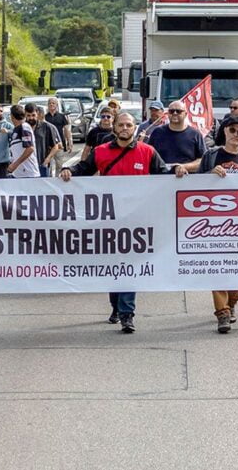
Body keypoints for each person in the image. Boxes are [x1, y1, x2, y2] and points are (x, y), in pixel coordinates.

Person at [61, 113, 174, 333]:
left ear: (134, 128)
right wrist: (69, 171)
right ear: (114, 128)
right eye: (121, 125)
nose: (125, 128)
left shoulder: (147, 151)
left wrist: (178, 171)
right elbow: (84, 169)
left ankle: (127, 314)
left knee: (129, 266)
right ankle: (116, 306)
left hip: (137, 221)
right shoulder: (101, 152)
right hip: (110, 220)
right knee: (114, 267)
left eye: (129, 125)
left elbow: (164, 175)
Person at [199, 116, 238, 333]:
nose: (236, 135)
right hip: (214, 224)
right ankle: (222, 313)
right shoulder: (211, 155)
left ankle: (232, 302)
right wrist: (209, 174)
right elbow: (196, 186)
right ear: (224, 131)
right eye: (232, 130)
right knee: (218, 268)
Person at [146, 100, 206, 173]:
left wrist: (183, 167)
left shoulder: (195, 134)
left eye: (178, 111)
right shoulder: (157, 132)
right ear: (168, 114)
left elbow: (203, 160)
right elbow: (148, 155)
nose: (174, 113)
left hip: (186, 179)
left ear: (186, 114)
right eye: (171, 111)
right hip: (160, 178)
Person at [25, 104, 62, 177]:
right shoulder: (22, 128)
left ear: (37, 113)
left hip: (41, 165)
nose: (31, 118)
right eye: (28, 116)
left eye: (33, 115)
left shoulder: (46, 127)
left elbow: (56, 146)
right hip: (26, 166)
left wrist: (47, 159)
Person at [7, 104, 39, 178]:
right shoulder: (16, 129)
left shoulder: (24, 127)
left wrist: (15, 164)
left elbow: (30, 148)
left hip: (28, 172)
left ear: (12, 116)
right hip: (18, 173)